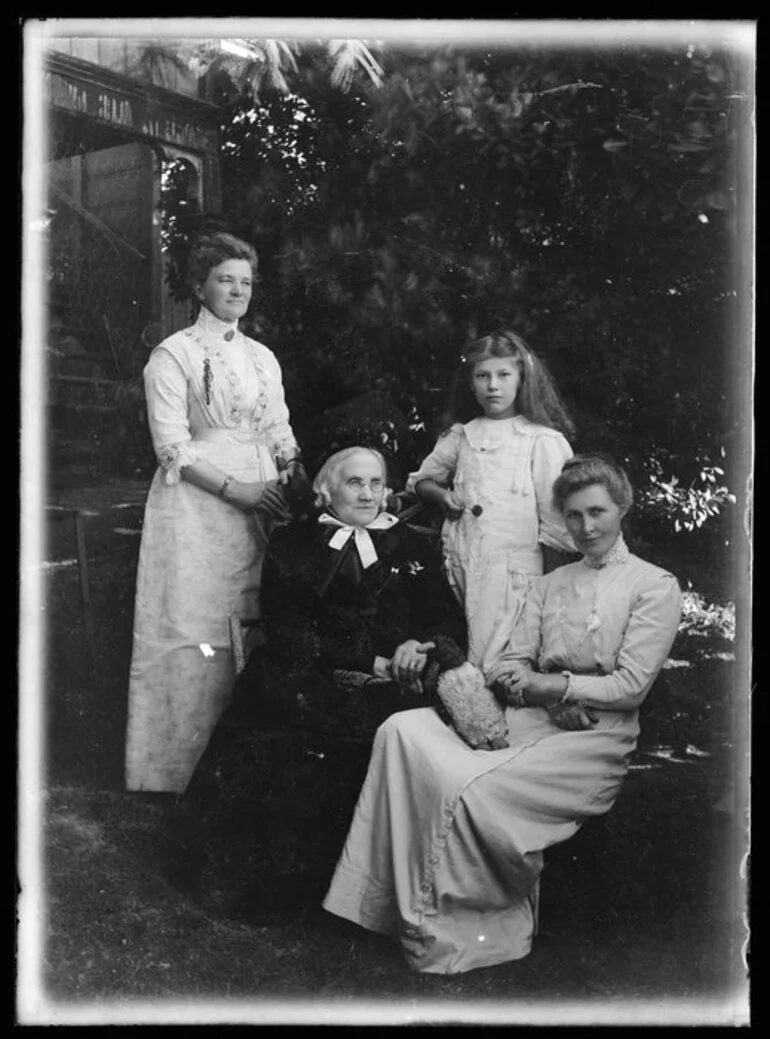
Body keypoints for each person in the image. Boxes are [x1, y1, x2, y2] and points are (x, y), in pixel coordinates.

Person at [322, 455, 683, 975]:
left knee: (469, 788)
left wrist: (554, 687)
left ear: (621, 509)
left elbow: (630, 687)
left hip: (594, 738)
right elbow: (511, 663)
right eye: (574, 515)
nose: (586, 527)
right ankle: (382, 905)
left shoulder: (654, 586)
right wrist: (542, 693)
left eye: (598, 512)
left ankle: (452, 922)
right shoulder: (549, 584)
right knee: (402, 728)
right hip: (534, 716)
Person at [165, 445, 474, 921]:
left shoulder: (409, 544)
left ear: (388, 491)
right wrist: (368, 660)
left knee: (380, 732)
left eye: (376, 483)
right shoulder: (294, 541)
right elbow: (286, 628)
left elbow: (446, 618)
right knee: (278, 734)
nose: (367, 493)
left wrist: (420, 645)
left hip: (389, 683)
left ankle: (355, 888)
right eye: (354, 483)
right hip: (307, 670)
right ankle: (266, 886)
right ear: (326, 490)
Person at [125, 231, 305, 794]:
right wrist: (239, 490)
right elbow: (171, 448)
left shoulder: (261, 357)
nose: (237, 290)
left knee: (249, 618)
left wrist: (292, 472)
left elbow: (278, 428)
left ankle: (239, 772)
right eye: (225, 279)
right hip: (198, 504)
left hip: (261, 505)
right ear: (200, 285)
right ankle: (172, 771)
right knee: (196, 625)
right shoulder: (173, 354)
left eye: (246, 282)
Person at [408, 329, 577, 674]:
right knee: (471, 647)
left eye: (503, 375)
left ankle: (508, 714)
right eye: (482, 376)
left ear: (522, 378)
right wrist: (442, 496)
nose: (493, 386)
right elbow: (419, 481)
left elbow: (555, 525)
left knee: (508, 655)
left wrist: (549, 587)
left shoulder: (541, 440)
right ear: (471, 383)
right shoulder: (463, 435)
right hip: (466, 561)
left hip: (517, 570)